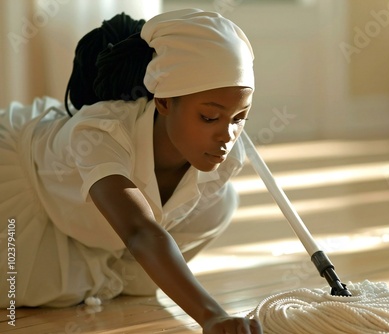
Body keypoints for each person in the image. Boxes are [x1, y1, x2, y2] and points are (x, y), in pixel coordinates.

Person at [0, 8, 262, 334]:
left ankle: (107, 274)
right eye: (209, 117)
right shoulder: (100, 133)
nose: (227, 135)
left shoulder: (225, 149)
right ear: (163, 102)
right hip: (27, 196)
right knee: (22, 289)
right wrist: (212, 315)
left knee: (223, 202)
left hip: (101, 228)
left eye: (239, 118)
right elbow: (139, 230)